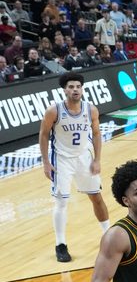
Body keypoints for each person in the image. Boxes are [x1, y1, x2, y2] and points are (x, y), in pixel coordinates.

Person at [38, 72, 111, 263]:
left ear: (82, 89)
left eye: (78, 86)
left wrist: (97, 159)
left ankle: (109, 236)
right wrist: (46, 162)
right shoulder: (54, 111)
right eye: (71, 87)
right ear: (65, 90)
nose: (75, 89)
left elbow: (96, 134)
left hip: (84, 157)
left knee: (96, 196)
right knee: (61, 202)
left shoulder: (91, 109)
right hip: (61, 159)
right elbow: (44, 134)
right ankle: (60, 244)